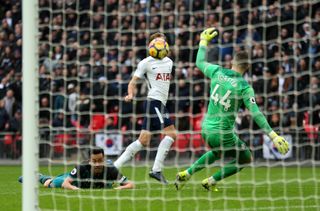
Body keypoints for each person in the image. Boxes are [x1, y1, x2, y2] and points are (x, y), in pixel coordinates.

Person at [175, 28, 289, 191]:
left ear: (232, 62)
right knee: (245, 158)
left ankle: (187, 173)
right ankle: (211, 181)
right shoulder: (245, 87)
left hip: (205, 128)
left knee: (217, 152)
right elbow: (255, 113)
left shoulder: (217, 71)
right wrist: (273, 135)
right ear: (247, 67)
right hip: (223, 133)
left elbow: (199, 62)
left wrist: (203, 41)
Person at [113, 32, 176, 184]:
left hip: (160, 102)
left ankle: (114, 167)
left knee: (143, 140)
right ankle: (156, 170)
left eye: (164, 41)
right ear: (152, 45)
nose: (162, 42)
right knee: (171, 134)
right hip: (154, 101)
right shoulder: (145, 63)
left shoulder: (169, 62)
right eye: (158, 40)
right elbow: (132, 82)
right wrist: (130, 94)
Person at [18, 147, 134, 190]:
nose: (98, 164)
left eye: (100, 161)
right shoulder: (82, 167)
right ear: (89, 160)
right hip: (75, 182)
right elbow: (66, 184)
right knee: (49, 184)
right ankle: (39, 177)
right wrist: (75, 189)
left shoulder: (110, 169)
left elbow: (130, 184)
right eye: (94, 161)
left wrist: (118, 189)